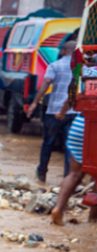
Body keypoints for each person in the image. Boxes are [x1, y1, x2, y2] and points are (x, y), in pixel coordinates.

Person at [51, 58, 97, 226]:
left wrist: (62, 113)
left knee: (74, 173)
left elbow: (73, 98)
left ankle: (58, 209)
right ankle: (93, 220)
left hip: (81, 125)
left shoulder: (86, 75)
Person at [28, 41, 78, 183]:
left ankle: (42, 172)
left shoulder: (55, 66)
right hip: (73, 112)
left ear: (63, 51)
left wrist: (34, 102)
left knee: (48, 143)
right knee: (70, 146)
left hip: (54, 111)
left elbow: (46, 83)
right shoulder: (80, 68)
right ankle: (68, 177)